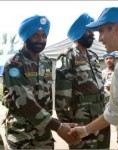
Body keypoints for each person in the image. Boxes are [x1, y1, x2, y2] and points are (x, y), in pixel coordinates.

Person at [69, 7, 118, 150]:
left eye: (101, 31)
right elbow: (114, 112)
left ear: (117, 28)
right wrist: (85, 130)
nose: (99, 39)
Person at [2, 15, 80, 149]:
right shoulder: (14, 64)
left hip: (43, 134)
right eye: (35, 35)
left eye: (44, 35)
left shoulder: (46, 62)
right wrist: (59, 127)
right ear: (26, 36)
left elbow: (48, 98)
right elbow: (26, 102)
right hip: (21, 135)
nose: (40, 40)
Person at [55, 13, 110, 149]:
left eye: (92, 31)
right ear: (78, 32)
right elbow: (62, 96)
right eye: (88, 31)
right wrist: (66, 125)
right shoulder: (68, 56)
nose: (92, 35)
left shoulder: (94, 56)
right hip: (81, 118)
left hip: (101, 116)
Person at [102, 52, 118, 149]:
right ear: (104, 60)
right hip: (105, 104)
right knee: (103, 127)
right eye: (107, 58)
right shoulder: (102, 73)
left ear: (114, 59)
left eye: (111, 58)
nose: (109, 60)